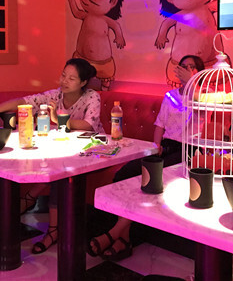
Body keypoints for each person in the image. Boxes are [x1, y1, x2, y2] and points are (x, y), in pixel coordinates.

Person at [0, 57, 103, 254]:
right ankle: (34, 206)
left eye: (71, 78)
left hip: (93, 148)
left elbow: (89, 125)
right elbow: (24, 102)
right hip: (66, 147)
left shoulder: (92, 97)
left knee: (60, 170)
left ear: (83, 82)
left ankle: (48, 224)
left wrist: (58, 119)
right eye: (63, 75)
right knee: (49, 161)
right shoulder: (56, 95)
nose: (64, 81)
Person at [87, 55, 205, 261]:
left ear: (199, 72)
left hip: (190, 151)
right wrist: (155, 147)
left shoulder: (204, 96)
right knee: (127, 173)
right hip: (166, 147)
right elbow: (160, 124)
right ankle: (124, 238)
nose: (186, 70)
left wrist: (192, 83)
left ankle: (115, 234)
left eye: (191, 67)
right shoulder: (171, 96)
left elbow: (203, 110)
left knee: (150, 180)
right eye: (183, 66)